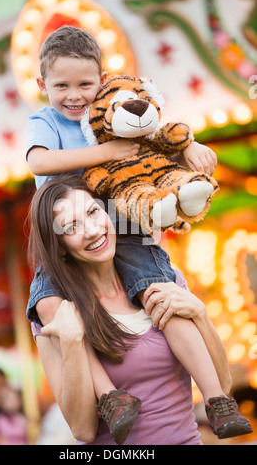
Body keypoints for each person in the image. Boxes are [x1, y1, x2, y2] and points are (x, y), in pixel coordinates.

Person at [25, 26, 251, 443]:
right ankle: (110, 397)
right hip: (57, 243)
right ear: (42, 86)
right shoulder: (47, 122)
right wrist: (106, 153)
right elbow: (40, 161)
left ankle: (217, 399)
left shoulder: (109, 110)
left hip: (127, 225)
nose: (75, 95)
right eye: (62, 86)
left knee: (160, 294)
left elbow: (153, 134)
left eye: (85, 84)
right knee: (51, 304)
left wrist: (188, 149)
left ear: (103, 79)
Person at [27, 176, 252, 445]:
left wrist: (200, 314)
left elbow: (223, 385)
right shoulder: (57, 316)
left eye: (93, 212)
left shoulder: (164, 280)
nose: (92, 230)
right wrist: (74, 342)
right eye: (71, 227)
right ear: (59, 247)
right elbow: (83, 430)